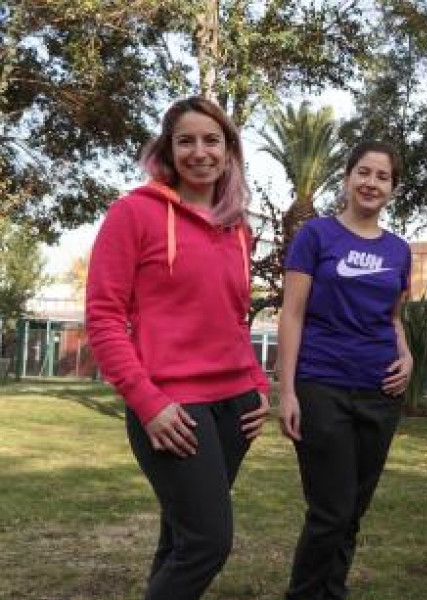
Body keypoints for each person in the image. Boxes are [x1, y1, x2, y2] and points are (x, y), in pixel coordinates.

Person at [86, 96, 271, 600]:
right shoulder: (133, 213)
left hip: (236, 409)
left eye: (212, 140)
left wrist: (258, 383)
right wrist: (148, 403)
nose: (199, 152)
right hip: (173, 408)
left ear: (229, 151)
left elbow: (234, 317)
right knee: (208, 543)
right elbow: (103, 318)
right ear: (168, 150)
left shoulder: (238, 228)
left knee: (182, 539)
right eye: (185, 141)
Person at [277, 141, 413, 600]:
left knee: (352, 511)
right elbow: (292, 314)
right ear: (348, 177)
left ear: (393, 188)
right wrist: (287, 391)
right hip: (322, 386)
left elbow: (393, 319)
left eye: (382, 176)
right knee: (330, 511)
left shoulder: (399, 250)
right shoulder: (316, 236)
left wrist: (408, 356)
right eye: (364, 172)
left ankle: (332, 592)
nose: (371, 183)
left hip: (381, 392)